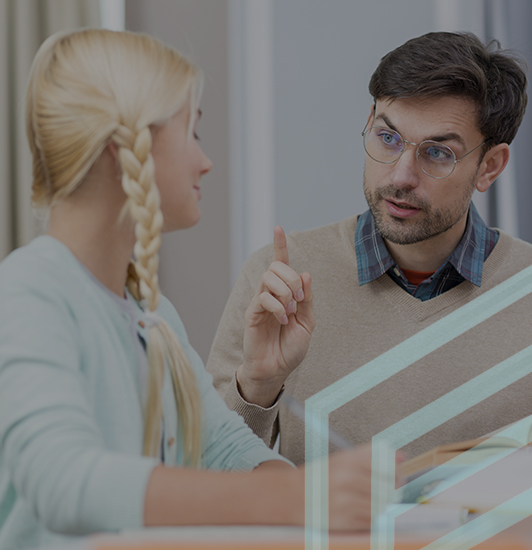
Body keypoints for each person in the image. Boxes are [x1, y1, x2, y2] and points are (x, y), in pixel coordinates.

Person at [0, 29, 381, 550]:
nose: (205, 161)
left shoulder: (153, 313)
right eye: (191, 133)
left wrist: (325, 495)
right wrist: (293, 500)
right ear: (120, 148)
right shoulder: (29, 292)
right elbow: (64, 482)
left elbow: (223, 451)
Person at [207, 31, 532, 466]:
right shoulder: (280, 279)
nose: (401, 176)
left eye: (437, 153)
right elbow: (202, 476)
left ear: (490, 166)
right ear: (369, 122)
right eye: (388, 138)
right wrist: (257, 386)